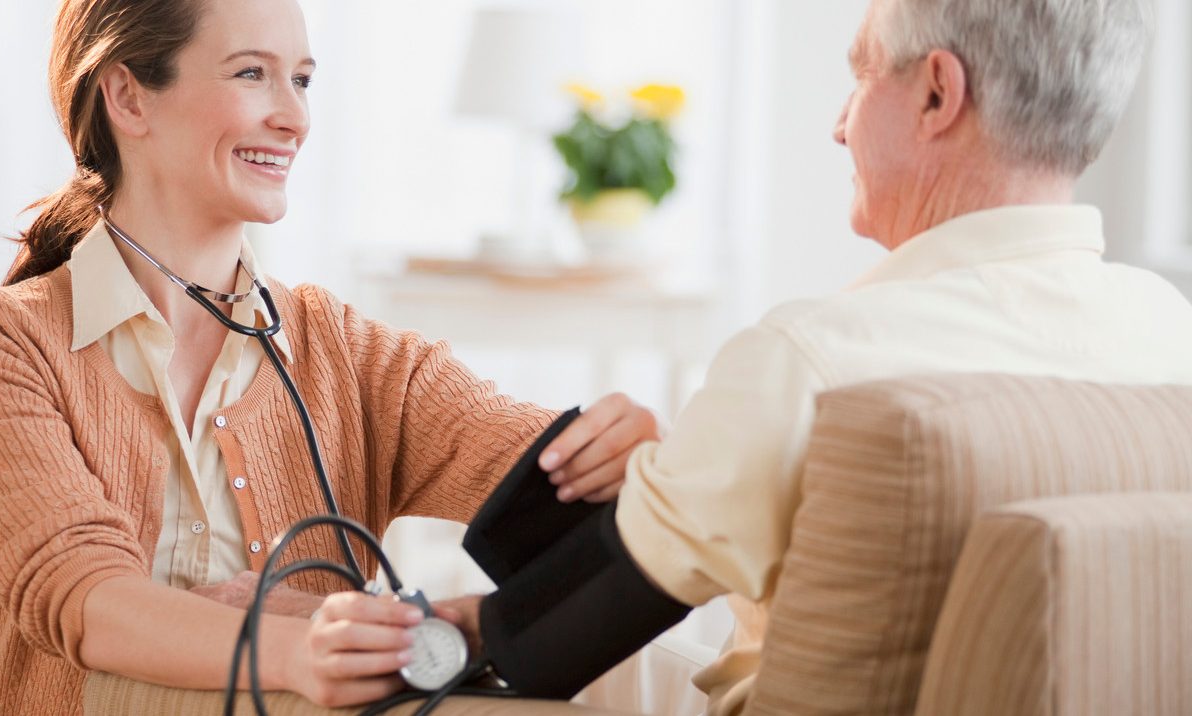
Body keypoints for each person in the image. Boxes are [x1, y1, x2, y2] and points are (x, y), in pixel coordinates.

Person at [0, 0, 659, 713]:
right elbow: (82, 597)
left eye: (301, 79)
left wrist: (629, 460)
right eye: (251, 74)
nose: (295, 117)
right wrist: (299, 649)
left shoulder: (353, 356)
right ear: (128, 97)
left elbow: (591, 504)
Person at [460, 0, 1192, 713]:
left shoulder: (813, 362)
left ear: (938, 92)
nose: (839, 125)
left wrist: (422, 633)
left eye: (864, 75)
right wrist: (683, 470)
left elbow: (533, 644)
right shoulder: (1172, 335)